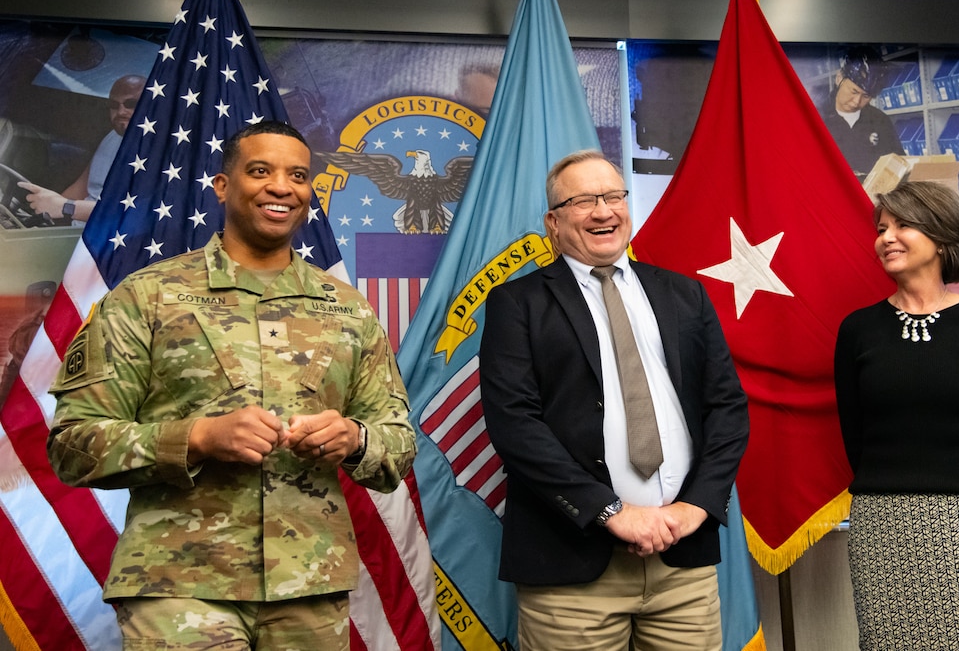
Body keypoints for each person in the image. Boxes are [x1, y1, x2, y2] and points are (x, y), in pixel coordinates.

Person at [46, 121, 417, 649]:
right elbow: (72, 446)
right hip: (180, 584)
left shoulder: (347, 308)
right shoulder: (148, 297)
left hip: (308, 587)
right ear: (223, 186)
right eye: (260, 171)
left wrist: (355, 438)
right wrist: (197, 438)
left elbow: (398, 445)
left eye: (297, 175)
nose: (281, 187)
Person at [479, 149, 749, 650]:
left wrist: (696, 507)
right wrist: (610, 512)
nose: (603, 211)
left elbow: (727, 409)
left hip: (682, 568)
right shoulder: (516, 305)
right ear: (553, 222)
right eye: (584, 201)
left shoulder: (684, 294)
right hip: (572, 575)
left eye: (613, 196)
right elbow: (515, 425)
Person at [834, 180, 959, 650]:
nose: (886, 237)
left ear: (942, 237)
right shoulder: (858, 330)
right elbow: (854, 440)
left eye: (903, 225)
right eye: (882, 227)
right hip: (881, 527)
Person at [18, 74, 144, 224]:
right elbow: (81, 188)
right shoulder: (112, 137)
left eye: (131, 104)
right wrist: (45, 214)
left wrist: (66, 207)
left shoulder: (165, 152)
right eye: (114, 105)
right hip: (72, 234)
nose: (121, 111)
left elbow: (137, 213)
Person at [821, 46, 904, 181]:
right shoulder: (813, 117)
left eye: (866, 96)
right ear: (839, 78)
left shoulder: (880, 121)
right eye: (853, 91)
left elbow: (898, 164)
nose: (856, 102)